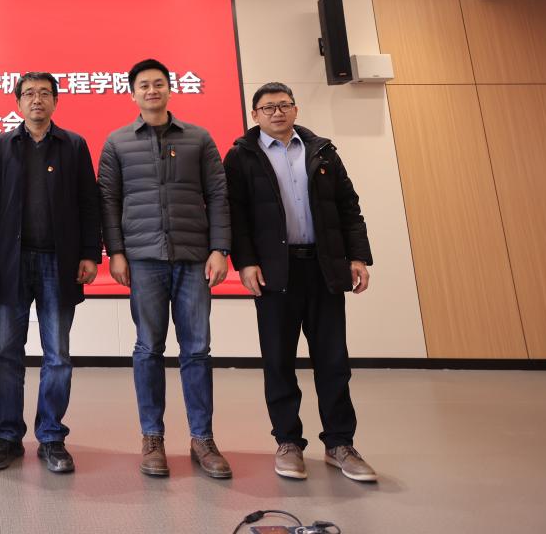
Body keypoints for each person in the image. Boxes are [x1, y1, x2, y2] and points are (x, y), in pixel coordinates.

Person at [222, 82, 376, 482]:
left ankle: (340, 443)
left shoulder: (322, 151)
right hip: (276, 272)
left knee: (333, 360)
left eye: (284, 105)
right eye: (267, 107)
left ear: (295, 109)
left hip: (324, 268)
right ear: (254, 114)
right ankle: (288, 441)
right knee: (278, 361)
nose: (277, 112)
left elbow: (349, 207)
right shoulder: (241, 156)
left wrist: (357, 256)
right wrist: (246, 263)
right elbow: (236, 216)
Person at [98, 58, 232, 479]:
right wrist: (115, 252)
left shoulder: (199, 138)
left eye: (158, 84)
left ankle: (202, 439)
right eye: (144, 85)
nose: (151, 90)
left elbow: (218, 195)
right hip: (143, 259)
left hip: (194, 258)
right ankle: (152, 438)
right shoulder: (117, 142)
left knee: (197, 350)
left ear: (170, 89)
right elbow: (108, 201)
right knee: (148, 349)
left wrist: (220, 249)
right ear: (132, 93)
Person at [0, 72, 102, 474]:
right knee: (7, 353)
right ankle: (8, 436)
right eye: (29, 94)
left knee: (58, 355)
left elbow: (88, 203)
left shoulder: (73, 145)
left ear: (55, 101)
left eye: (45, 93)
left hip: (58, 262)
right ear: (17, 102)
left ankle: (51, 437)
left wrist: (90, 254)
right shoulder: (1, 146)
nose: (37, 100)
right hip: (11, 262)